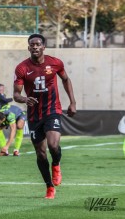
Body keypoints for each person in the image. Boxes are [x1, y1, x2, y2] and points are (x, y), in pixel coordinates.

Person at [13, 34, 76, 199]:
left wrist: (72, 102)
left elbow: (66, 79)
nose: (35, 47)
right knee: (40, 153)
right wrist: (25, 99)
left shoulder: (55, 63)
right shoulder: (22, 68)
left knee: (53, 145)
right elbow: (16, 95)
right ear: (28, 48)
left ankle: (56, 164)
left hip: (52, 109)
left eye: (38, 44)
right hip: (34, 115)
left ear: (43, 47)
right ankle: (49, 186)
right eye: (32, 44)